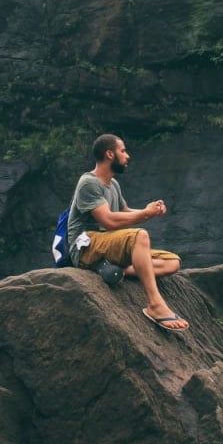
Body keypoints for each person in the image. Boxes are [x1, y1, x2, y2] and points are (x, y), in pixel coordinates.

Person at [66, 133, 190, 332]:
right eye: (122, 151)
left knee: (172, 262)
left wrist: (149, 212)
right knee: (139, 235)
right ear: (109, 154)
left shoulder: (112, 184)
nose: (127, 156)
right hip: (86, 245)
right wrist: (145, 215)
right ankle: (155, 305)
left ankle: (115, 270)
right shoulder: (89, 183)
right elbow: (108, 220)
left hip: (107, 244)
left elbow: (124, 212)